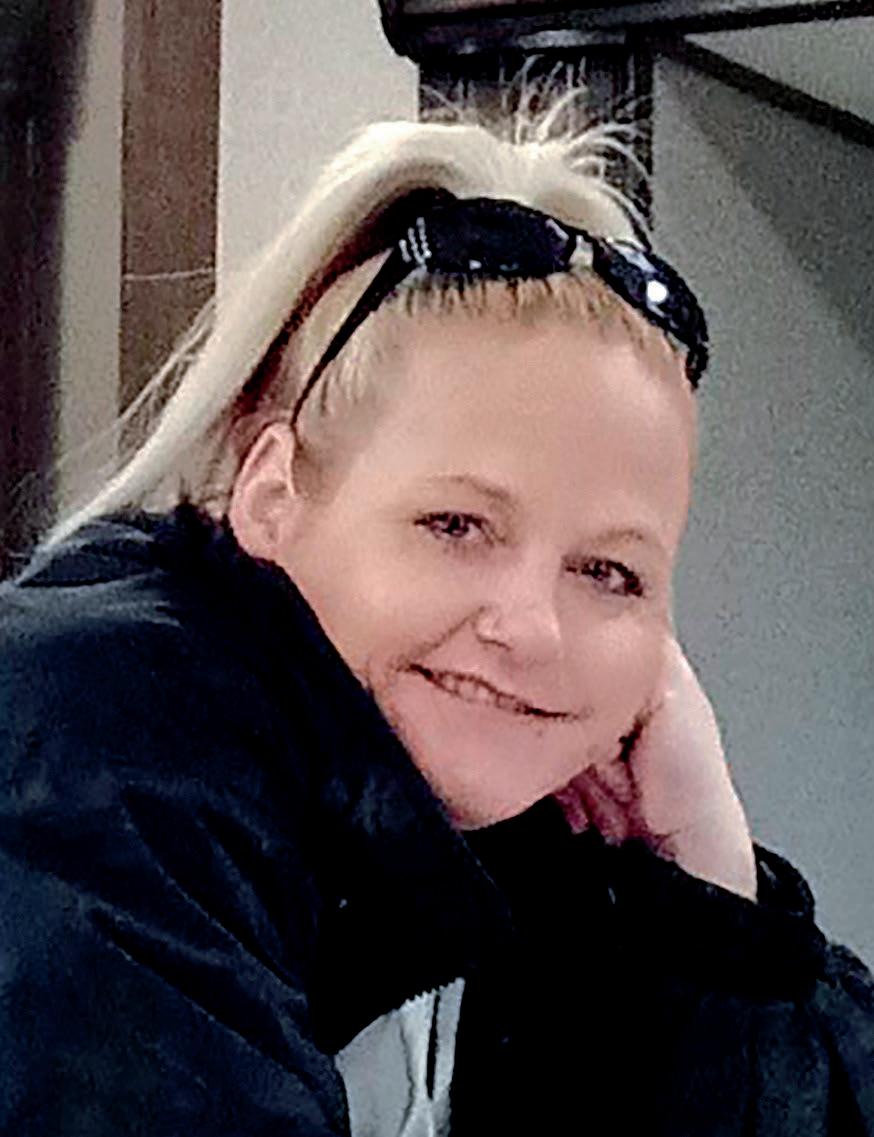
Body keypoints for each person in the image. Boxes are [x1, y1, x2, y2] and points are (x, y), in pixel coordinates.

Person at [1, 85, 872, 1136]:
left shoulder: (522, 845)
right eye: (457, 525)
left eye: (609, 572)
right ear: (272, 493)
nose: (533, 627)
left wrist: (709, 889)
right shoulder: (87, 753)